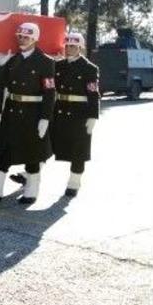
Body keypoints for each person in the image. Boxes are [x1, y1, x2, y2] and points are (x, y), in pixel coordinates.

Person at [0, 22, 56, 205]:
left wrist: (45, 118)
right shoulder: (13, 59)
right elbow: (0, 84)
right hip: (12, 110)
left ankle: (32, 190)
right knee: (3, 151)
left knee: (32, 153)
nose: (22, 39)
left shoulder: (46, 61)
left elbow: (50, 92)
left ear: (35, 38)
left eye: (26, 37)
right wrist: (0, 64)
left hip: (33, 112)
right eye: (19, 36)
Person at [51, 32, 100, 197]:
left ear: (80, 48)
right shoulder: (58, 65)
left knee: (79, 149)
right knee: (48, 143)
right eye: (67, 46)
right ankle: (31, 174)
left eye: (73, 46)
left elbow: (93, 94)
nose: (69, 49)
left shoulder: (89, 68)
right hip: (60, 109)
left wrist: (93, 116)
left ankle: (74, 182)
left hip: (80, 113)